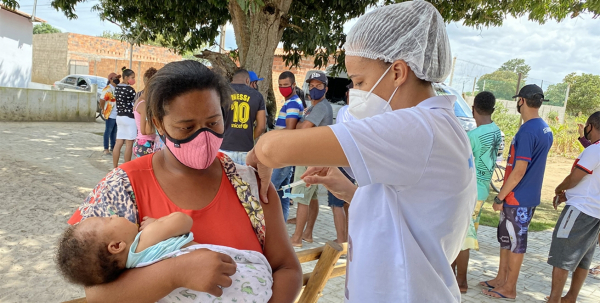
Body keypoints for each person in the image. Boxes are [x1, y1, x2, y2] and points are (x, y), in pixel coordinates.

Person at [247, 2, 476, 301]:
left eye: (360, 82)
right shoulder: (438, 123)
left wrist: (261, 154)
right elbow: (412, 216)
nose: (356, 93)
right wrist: (352, 192)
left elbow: (274, 148)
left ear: (397, 72)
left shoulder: (415, 128)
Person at [66, 60, 301, 303]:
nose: (204, 136)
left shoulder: (250, 185)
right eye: (186, 127)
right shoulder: (122, 187)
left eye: (213, 123)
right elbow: (96, 294)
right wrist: (175, 273)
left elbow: (287, 269)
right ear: (158, 123)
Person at [57, 212, 273, 302]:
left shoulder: (131, 270)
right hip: (241, 280)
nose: (114, 214)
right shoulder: (145, 240)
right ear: (116, 246)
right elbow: (182, 220)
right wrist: (157, 224)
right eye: (108, 219)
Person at [481, 84, 554, 300]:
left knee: (515, 243)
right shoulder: (543, 127)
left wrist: (500, 196)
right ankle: (500, 279)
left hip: (518, 198)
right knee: (506, 240)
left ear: (521, 100)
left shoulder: (529, 130)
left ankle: (509, 287)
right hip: (523, 197)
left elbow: (519, 170)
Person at [546, 111, 600, 303]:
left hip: (579, 210)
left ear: (591, 127)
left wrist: (559, 189)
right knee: (583, 258)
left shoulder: (595, 149)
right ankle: (570, 298)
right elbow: (591, 183)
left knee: (562, 254)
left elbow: (576, 177)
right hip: (595, 213)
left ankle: (554, 299)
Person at [451, 91, 502, 293]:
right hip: (482, 191)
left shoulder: (472, 136)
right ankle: (452, 273)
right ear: (493, 109)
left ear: (473, 109)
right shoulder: (496, 131)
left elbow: (460, 165)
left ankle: (461, 281)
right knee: (465, 235)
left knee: (463, 237)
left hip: (469, 192)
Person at [289, 71, 333, 247]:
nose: (315, 89)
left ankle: (296, 238)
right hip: (314, 158)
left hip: (309, 159)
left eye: (319, 86)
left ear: (326, 88)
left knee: (300, 197)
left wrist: (296, 125)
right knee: (312, 198)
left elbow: (303, 128)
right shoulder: (314, 106)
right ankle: (308, 234)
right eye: (312, 85)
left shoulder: (321, 107)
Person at [271, 71, 304, 222]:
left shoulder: (292, 103)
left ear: (294, 85)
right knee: (283, 194)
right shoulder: (291, 102)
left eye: (286, 85)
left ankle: (271, 228)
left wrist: (271, 136)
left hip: (283, 154)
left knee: (269, 190)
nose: (283, 88)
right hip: (286, 154)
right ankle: (282, 228)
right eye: (280, 85)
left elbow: (290, 129)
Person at [220, 69, 266, 165]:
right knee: (244, 180)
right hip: (246, 150)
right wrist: (249, 136)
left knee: (225, 180)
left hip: (224, 148)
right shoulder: (257, 96)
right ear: (247, 81)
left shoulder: (221, 93)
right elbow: (261, 126)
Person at [113, 67, 137, 168]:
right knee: (129, 144)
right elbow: (135, 102)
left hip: (119, 117)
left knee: (118, 142)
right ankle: (127, 167)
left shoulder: (117, 88)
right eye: (132, 77)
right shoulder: (130, 90)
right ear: (126, 77)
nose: (133, 79)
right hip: (129, 118)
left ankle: (115, 167)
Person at [133, 67, 159, 159]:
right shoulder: (145, 104)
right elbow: (146, 131)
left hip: (142, 144)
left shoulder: (140, 100)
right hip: (146, 144)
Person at [99, 73, 121, 155]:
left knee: (114, 132)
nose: (117, 80)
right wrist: (103, 109)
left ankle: (113, 147)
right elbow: (102, 100)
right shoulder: (107, 89)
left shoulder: (118, 88)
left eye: (118, 78)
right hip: (110, 113)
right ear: (111, 79)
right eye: (116, 78)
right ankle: (106, 148)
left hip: (117, 113)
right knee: (108, 131)